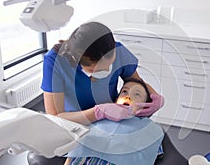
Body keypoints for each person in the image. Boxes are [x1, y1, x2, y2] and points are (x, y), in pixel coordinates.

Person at [27, 21, 165, 164]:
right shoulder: (55, 62)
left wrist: (155, 97)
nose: (106, 71)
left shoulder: (119, 51)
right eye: (97, 70)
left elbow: (135, 82)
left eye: (110, 65)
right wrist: (98, 112)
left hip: (113, 118)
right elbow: (55, 117)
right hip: (75, 123)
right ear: (77, 60)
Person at [64, 78, 164, 165]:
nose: (128, 96)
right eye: (124, 91)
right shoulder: (98, 118)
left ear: (145, 105)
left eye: (136, 94)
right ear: (116, 99)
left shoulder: (149, 130)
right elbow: (75, 151)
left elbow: (148, 154)